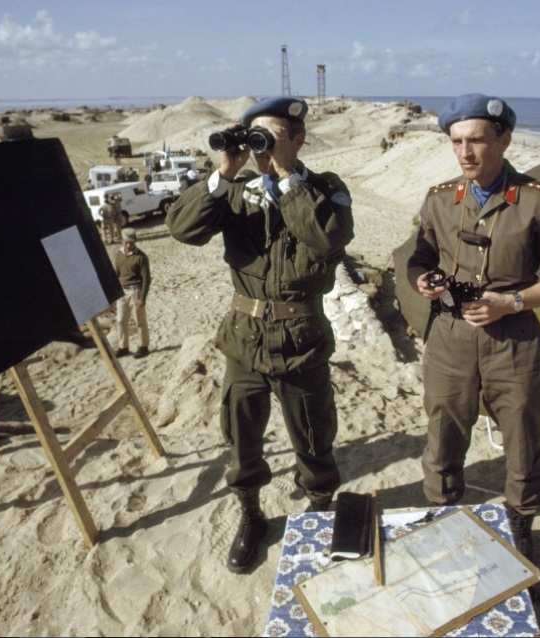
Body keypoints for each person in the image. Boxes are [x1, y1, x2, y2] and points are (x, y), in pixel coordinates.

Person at [166, 96, 354, 574]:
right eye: (256, 138)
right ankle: (251, 516)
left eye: (271, 138)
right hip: (244, 340)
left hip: (301, 339)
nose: (262, 148)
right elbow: (183, 230)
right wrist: (225, 171)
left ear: (297, 139)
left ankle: (317, 508)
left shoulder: (325, 189)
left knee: (313, 437)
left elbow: (327, 237)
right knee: (242, 440)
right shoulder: (236, 191)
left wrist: (287, 177)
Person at [406, 93, 540, 561]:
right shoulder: (439, 200)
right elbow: (418, 258)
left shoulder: (539, 202)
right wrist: (421, 279)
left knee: (522, 436)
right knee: (442, 432)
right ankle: (444, 513)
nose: (466, 153)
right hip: (450, 337)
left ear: (503, 140)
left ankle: (521, 523)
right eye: (457, 142)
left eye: (477, 141)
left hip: (514, 340)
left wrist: (513, 301)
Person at [113, 227, 151, 358]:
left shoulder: (141, 257)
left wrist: (143, 298)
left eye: (132, 242)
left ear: (135, 241)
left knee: (139, 321)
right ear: (121, 241)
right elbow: (116, 274)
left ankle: (143, 346)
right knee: (120, 320)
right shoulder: (118, 254)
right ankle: (123, 347)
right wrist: (114, 293)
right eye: (126, 242)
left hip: (136, 291)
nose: (129, 245)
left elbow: (146, 279)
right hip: (121, 292)